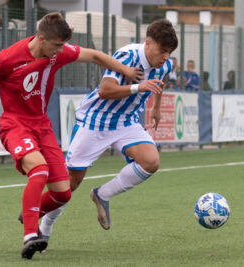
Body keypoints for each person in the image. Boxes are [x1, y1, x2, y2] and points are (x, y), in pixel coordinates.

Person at [0, 12, 141, 260]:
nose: (62, 50)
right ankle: (31, 235)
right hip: (15, 125)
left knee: (63, 193)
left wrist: (125, 69)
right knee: (39, 170)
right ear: (41, 39)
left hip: (42, 126)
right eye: (57, 45)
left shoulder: (57, 53)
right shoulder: (6, 59)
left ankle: (31, 211)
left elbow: (95, 56)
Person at [37, 18, 178, 241]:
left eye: (169, 52)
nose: (166, 57)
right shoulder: (127, 55)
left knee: (151, 162)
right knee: (70, 184)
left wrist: (156, 108)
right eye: (162, 51)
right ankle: (44, 228)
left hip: (126, 122)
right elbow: (105, 90)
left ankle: (102, 194)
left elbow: (159, 81)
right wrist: (138, 87)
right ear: (148, 44)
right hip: (96, 121)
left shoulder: (165, 64)